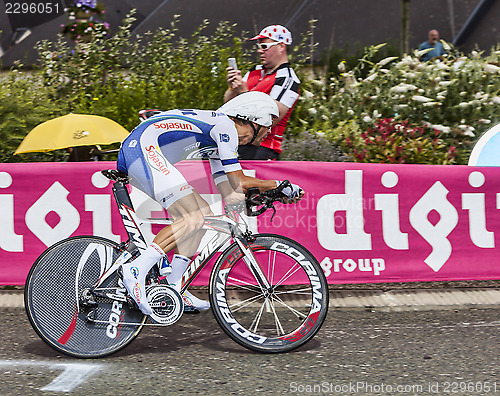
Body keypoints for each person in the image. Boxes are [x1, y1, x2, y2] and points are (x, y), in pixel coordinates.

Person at [116, 91, 304, 315]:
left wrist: (269, 194)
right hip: (143, 147)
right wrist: (277, 184)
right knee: (191, 216)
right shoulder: (225, 127)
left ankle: (174, 286)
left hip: (144, 149)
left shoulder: (221, 139)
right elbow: (239, 180)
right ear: (256, 119)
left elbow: (231, 191)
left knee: (202, 213)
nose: (269, 131)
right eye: (269, 124)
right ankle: (137, 270)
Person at [224, 25, 300, 160]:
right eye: (258, 46)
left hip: (263, 147)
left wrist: (244, 93)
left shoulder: (287, 78)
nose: (259, 51)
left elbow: (270, 119)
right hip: (239, 142)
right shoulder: (255, 71)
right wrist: (232, 88)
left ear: (281, 46)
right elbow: (228, 105)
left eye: (264, 47)